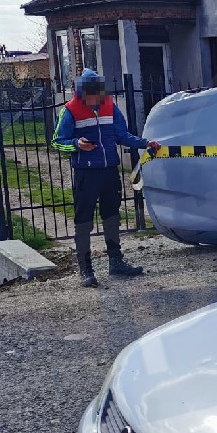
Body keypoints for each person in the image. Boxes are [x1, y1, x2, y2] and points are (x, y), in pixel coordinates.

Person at [52, 69, 161, 287]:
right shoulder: (70, 110)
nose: (93, 98)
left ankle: (116, 262)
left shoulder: (110, 107)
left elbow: (122, 135)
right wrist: (76, 144)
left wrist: (145, 143)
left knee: (111, 218)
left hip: (109, 171)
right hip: (86, 173)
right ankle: (86, 269)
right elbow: (57, 141)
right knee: (83, 221)